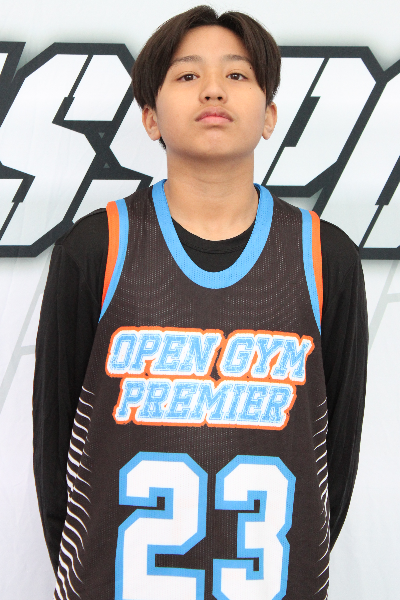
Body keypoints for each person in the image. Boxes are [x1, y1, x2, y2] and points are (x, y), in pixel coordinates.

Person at [33, 6, 368, 600]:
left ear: (269, 116)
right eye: (187, 75)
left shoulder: (326, 257)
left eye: (237, 75)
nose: (213, 90)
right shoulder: (96, 248)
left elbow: (333, 463)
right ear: (150, 117)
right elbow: (55, 446)